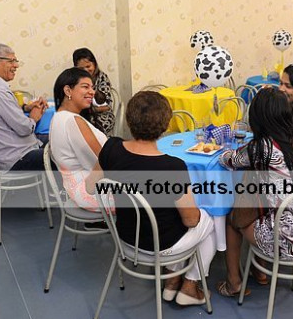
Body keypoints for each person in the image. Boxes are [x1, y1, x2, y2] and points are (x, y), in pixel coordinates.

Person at [93, 91, 216, 306]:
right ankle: (190, 286)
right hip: (161, 246)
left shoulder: (111, 147)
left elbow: (90, 185)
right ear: (166, 125)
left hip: (126, 237)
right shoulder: (172, 166)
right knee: (209, 221)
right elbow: (190, 221)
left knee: (177, 221)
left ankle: (171, 282)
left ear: (129, 120)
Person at [217, 88, 293, 297]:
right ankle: (271, 271)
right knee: (262, 200)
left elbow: (229, 160)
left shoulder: (261, 148)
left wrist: (221, 149)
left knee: (233, 220)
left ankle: (234, 283)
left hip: (290, 240)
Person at [0, 43, 48, 172]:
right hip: (17, 157)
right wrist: (34, 117)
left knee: (60, 139)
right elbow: (25, 129)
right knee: (67, 152)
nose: (16, 65)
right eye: (11, 61)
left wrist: (26, 108)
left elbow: (1, 111)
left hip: (8, 151)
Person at [49, 68, 107, 212]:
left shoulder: (59, 116)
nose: (92, 92)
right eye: (85, 87)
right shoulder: (73, 121)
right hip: (93, 192)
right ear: (68, 91)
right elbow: (100, 163)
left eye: (92, 87)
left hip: (77, 188)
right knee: (153, 189)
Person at [72, 48, 115, 135]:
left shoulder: (101, 77)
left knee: (90, 127)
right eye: (81, 68)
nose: (86, 70)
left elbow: (107, 106)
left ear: (94, 64)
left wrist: (90, 109)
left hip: (101, 115)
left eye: (88, 66)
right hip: (80, 114)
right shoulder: (73, 79)